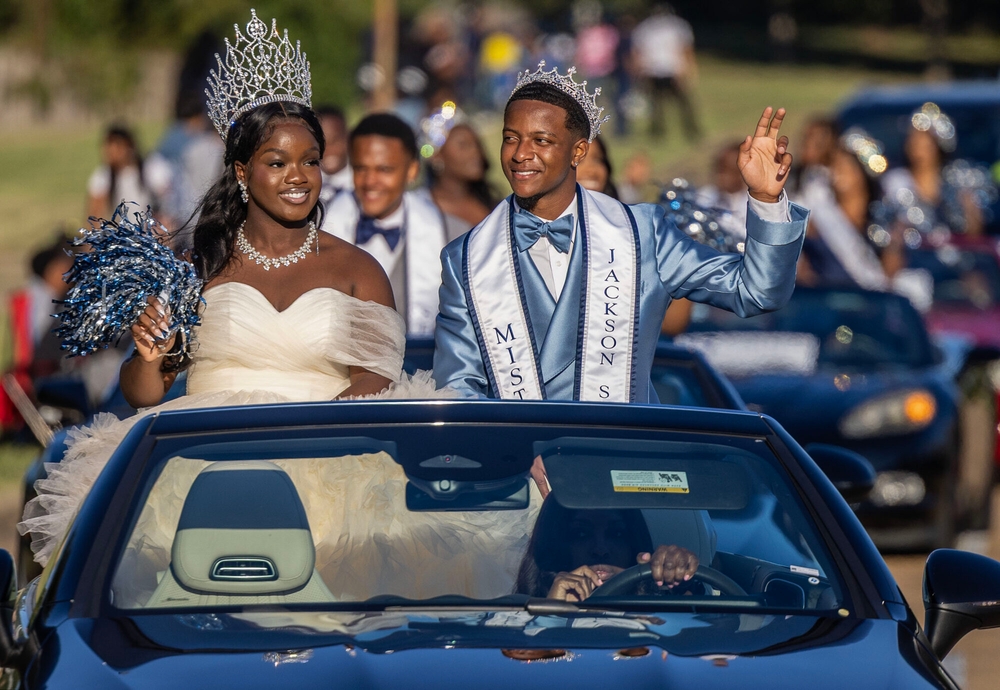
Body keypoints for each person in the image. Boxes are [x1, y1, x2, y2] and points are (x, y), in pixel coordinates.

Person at [19, 11, 463, 568]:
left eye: (310, 161)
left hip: (329, 477)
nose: (297, 177)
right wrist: (150, 355)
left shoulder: (358, 270)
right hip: (201, 477)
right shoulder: (198, 266)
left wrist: (283, 450)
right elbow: (145, 392)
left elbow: (374, 390)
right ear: (240, 171)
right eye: (276, 162)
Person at [433, 62, 808, 402]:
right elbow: (457, 386)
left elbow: (757, 292)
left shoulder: (642, 234)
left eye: (541, 141)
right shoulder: (466, 258)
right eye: (511, 137)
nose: (520, 154)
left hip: (623, 466)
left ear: (578, 151)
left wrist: (764, 198)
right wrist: (510, 449)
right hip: (517, 468)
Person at [321, 113, 449, 337]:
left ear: (412, 170)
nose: (370, 182)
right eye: (361, 169)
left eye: (384, 170)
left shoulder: (448, 234)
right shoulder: (322, 228)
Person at [516, 499, 699, 601]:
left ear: (634, 544)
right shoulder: (513, 614)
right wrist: (552, 613)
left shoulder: (659, 604)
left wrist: (683, 581)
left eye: (617, 534)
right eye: (581, 534)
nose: (600, 550)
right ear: (557, 547)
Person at [630, 5, 700, 141]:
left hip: (670, 70)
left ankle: (690, 129)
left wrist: (687, 69)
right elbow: (639, 51)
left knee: (681, 103)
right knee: (658, 104)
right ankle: (658, 131)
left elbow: (685, 49)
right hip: (657, 70)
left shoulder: (674, 27)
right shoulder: (649, 28)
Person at [87, 124, 173, 225]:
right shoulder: (103, 176)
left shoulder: (153, 167)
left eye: (117, 149)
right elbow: (94, 214)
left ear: (129, 147)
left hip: (153, 232)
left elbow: (170, 204)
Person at [424, 119, 495, 240]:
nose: (475, 152)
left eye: (477, 144)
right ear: (437, 156)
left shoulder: (492, 201)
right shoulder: (422, 210)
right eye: (463, 145)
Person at [316, 105, 353, 207]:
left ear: (348, 138)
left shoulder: (363, 183)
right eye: (321, 143)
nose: (328, 150)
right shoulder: (306, 181)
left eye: (335, 141)